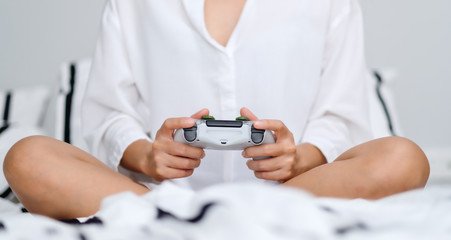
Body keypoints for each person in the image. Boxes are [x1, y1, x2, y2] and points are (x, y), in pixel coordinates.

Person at [3, 0, 429, 220]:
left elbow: (341, 115)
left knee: (403, 158)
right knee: (27, 156)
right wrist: (150, 156)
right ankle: (183, 223)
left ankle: (249, 219)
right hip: (156, 199)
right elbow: (107, 113)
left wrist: (298, 158)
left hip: (295, 196)